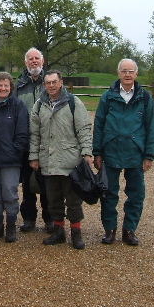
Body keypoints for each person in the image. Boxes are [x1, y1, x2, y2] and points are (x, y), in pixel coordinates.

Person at [93, 59, 154, 246]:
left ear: (136, 74)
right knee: (108, 193)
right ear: (118, 73)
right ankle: (110, 229)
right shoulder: (107, 97)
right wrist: (97, 152)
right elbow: (99, 124)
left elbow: (150, 127)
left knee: (136, 194)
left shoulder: (145, 98)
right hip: (111, 151)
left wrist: (148, 155)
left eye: (131, 71)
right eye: (124, 71)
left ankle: (129, 230)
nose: (127, 74)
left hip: (135, 153)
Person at [29, 70, 93, 250]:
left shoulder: (73, 103)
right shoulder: (39, 105)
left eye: (54, 82)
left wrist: (86, 152)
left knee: (73, 201)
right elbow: (34, 134)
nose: (51, 85)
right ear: (44, 85)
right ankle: (58, 232)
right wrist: (34, 156)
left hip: (70, 161)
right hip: (48, 161)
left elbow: (84, 129)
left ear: (61, 82)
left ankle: (76, 233)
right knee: (53, 200)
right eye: (48, 83)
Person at [0, 72, 29, 243]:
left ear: (11, 88)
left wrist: (15, 152)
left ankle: (11, 225)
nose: (3, 88)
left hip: (11, 159)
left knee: (9, 192)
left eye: (6, 86)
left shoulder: (18, 106)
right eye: (0, 85)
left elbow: (22, 134)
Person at [15, 47, 52, 233]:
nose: (34, 61)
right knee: (28, 183)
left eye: (37, 58)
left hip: (47, 143)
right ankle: (29, 218)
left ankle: (49, 219)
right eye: (30, 59)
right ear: (26, 62)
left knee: (47, 182)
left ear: (42, 61)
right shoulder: (19, 85)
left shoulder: (51, 83)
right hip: (26, 142)